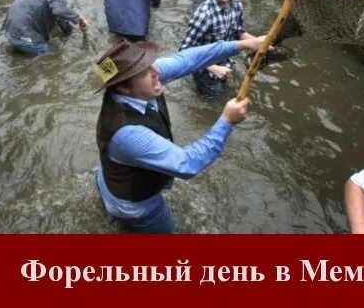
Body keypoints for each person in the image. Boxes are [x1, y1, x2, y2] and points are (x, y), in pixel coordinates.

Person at [94, 35, 267, 233]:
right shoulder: (128, 134)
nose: (156, 70)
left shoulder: (135, 85)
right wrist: (227, 121)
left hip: (111, 176)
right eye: (144, 70)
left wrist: (243, 44)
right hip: (135, 206)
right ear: (124, 87)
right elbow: (187, 164)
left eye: (150, 63)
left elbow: (188, 60)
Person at [179, 0, 260, 99]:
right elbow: (184, 51)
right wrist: (213, 68)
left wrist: (259, 42)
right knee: (213, 100)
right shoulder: (204, 15)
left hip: (225, 64)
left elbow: (238, 32)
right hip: (204, 69)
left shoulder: (237, 6)